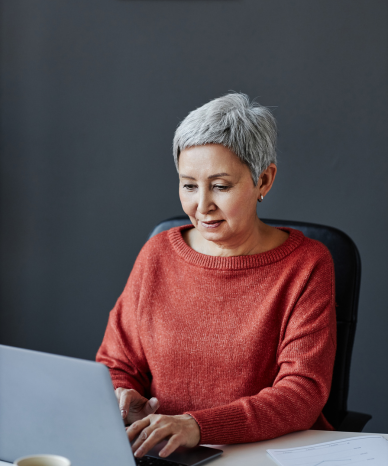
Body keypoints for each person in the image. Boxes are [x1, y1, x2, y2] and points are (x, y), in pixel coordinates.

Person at [96, 93, 336, 459]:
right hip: (165, 452)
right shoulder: (157, 254)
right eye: (189, 185)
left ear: (264, 180)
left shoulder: (306, 264)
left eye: (221, 186)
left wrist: (196, 426)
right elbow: (116, 364)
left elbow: (301, 393)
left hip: (265, 454)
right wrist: (122, 397)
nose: (201, 205)